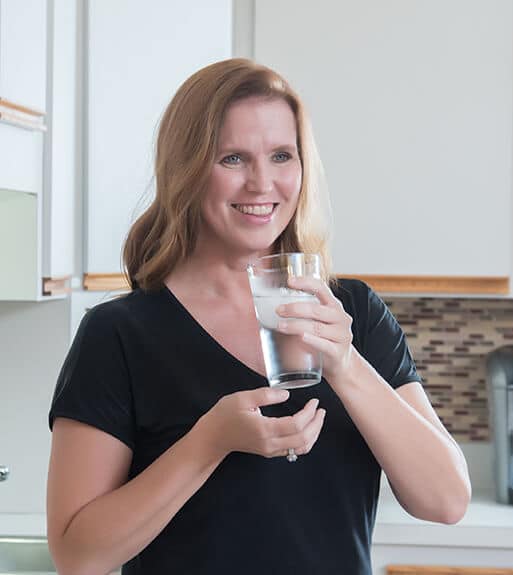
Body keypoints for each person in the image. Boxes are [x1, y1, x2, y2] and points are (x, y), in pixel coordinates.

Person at [47, 58, 471, 575]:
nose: (262, 183)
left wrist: (345, 364)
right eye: (232, 159)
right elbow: (77, 555)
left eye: (281, 155)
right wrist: (209, 443)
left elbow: (446, 502)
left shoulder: (353, 311)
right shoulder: (120, 334)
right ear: (187, 168)